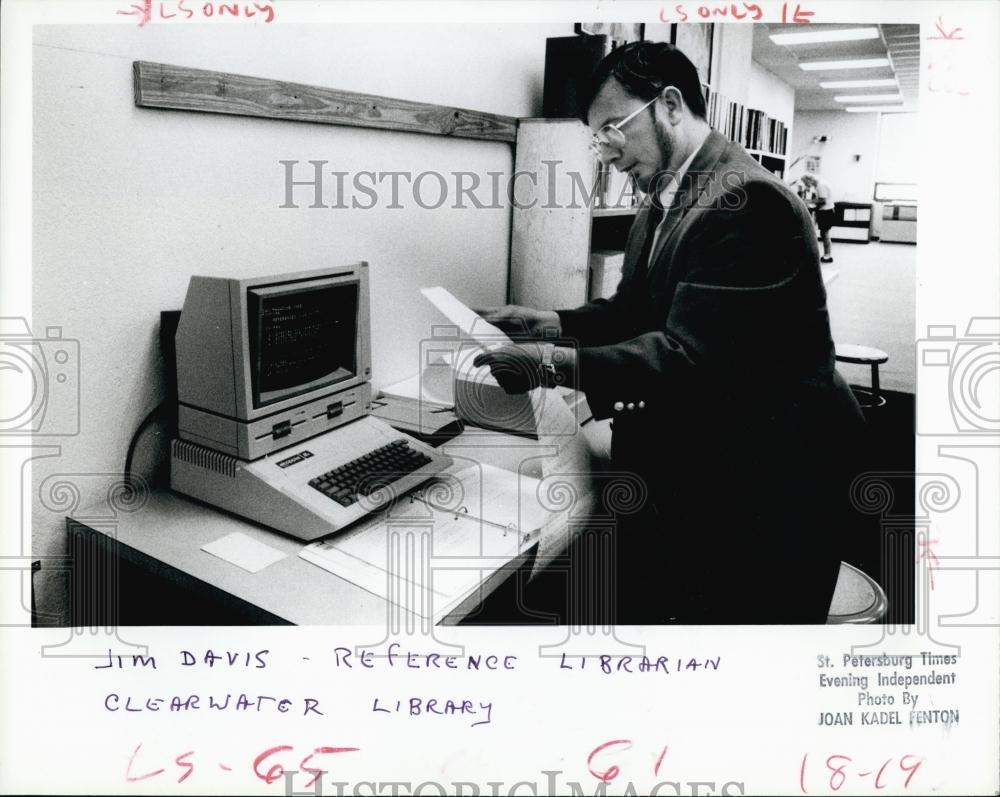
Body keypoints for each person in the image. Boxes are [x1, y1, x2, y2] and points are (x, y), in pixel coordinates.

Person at [474, 41, 864, 624]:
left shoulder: (746, 200)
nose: (604, 153)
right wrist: (553, 323)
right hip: (715, 450)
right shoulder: (666, 193)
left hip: (773, 471)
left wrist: (551, 364)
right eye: (595, 138)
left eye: (613, 129)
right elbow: (636, 310)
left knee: (748, 643)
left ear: (670, 105)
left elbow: (692, 356)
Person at [799, 172, 836, 263]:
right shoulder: (819, 184)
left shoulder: (820, 186)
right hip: (826, 210)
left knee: (825, 234)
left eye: (805, 182)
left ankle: (827, 255)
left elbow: (822, 201)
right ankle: (827, 254)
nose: (805, 185)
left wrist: (807, 201)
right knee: (824, 234)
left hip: (826, 211)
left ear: (809, 180)